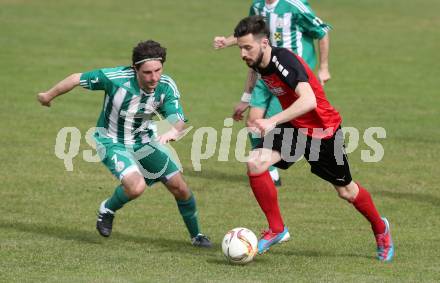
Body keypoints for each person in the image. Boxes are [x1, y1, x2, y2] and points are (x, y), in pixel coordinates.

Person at [233, 16, 394, 261]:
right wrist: (246, 99)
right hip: (295, 127)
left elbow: (309, 101)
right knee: (256, 162)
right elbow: (255, 73)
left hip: (323, 131)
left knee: (347, 191)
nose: (243, 54)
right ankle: (277, 229)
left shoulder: (282, 60)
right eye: (240, 48)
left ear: (264, 43)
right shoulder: (257, 60)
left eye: (247, 48)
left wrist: (272, 120)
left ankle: (380, 228)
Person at [37, 40, 212, 248]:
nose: (154, 77)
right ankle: (107, 209)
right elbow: (76, 78)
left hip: (145, 141)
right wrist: (47, 96)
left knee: (180, 188)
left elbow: (177, 117)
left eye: (158, 70)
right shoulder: (115, 79)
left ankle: (197, 236)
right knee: (136, 187)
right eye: (147, 72)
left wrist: (174, 130)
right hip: (111, 141)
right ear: (135, 68)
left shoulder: (165, 86)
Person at [214, 0, 332, 186]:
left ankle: (271, 165)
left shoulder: (295, 6)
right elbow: (250, 37)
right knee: (253, 122)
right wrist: (227, 41)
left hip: (290, 80)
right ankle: (269, 171)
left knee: (270, 124)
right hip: (265, 73)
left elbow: (322, 31)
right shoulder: (258, 6)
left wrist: (324, 67)